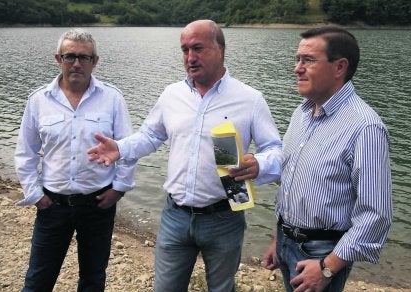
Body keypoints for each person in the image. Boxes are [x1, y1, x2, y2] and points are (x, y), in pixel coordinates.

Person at [87, 19, 283, 292]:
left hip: (224, 218)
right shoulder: (172, 95)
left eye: (198, 48)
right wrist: (120, 148)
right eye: (185, 50)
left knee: (222, 289)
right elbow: (151, 136)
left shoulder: (250, 99)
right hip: (175, 216)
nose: (190, 57)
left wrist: (259, 164)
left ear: (220, 49)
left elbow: (276, 150)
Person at [262, 26, 393, 292]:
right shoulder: (302, 113)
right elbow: (292, 182)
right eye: (297, 59)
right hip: (288, 241)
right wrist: (279, 238)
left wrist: (327, 267)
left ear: (339, 67)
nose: (297, 68)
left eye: (308, 60)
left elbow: (375, 215)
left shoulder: (365, 128)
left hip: (320, 253)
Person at [14, 28, 136, 291]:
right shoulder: (38, 101)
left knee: (93, 278)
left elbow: (127, 148)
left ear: (96, 61)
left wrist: (119, 188)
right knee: (38, 279)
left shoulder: (112, 98)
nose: (77, 64)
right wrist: (35, 194)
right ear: (58, 59)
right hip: (52, 205)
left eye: (84, 57)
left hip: (98, 204)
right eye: (70, 57)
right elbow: (26, 152)